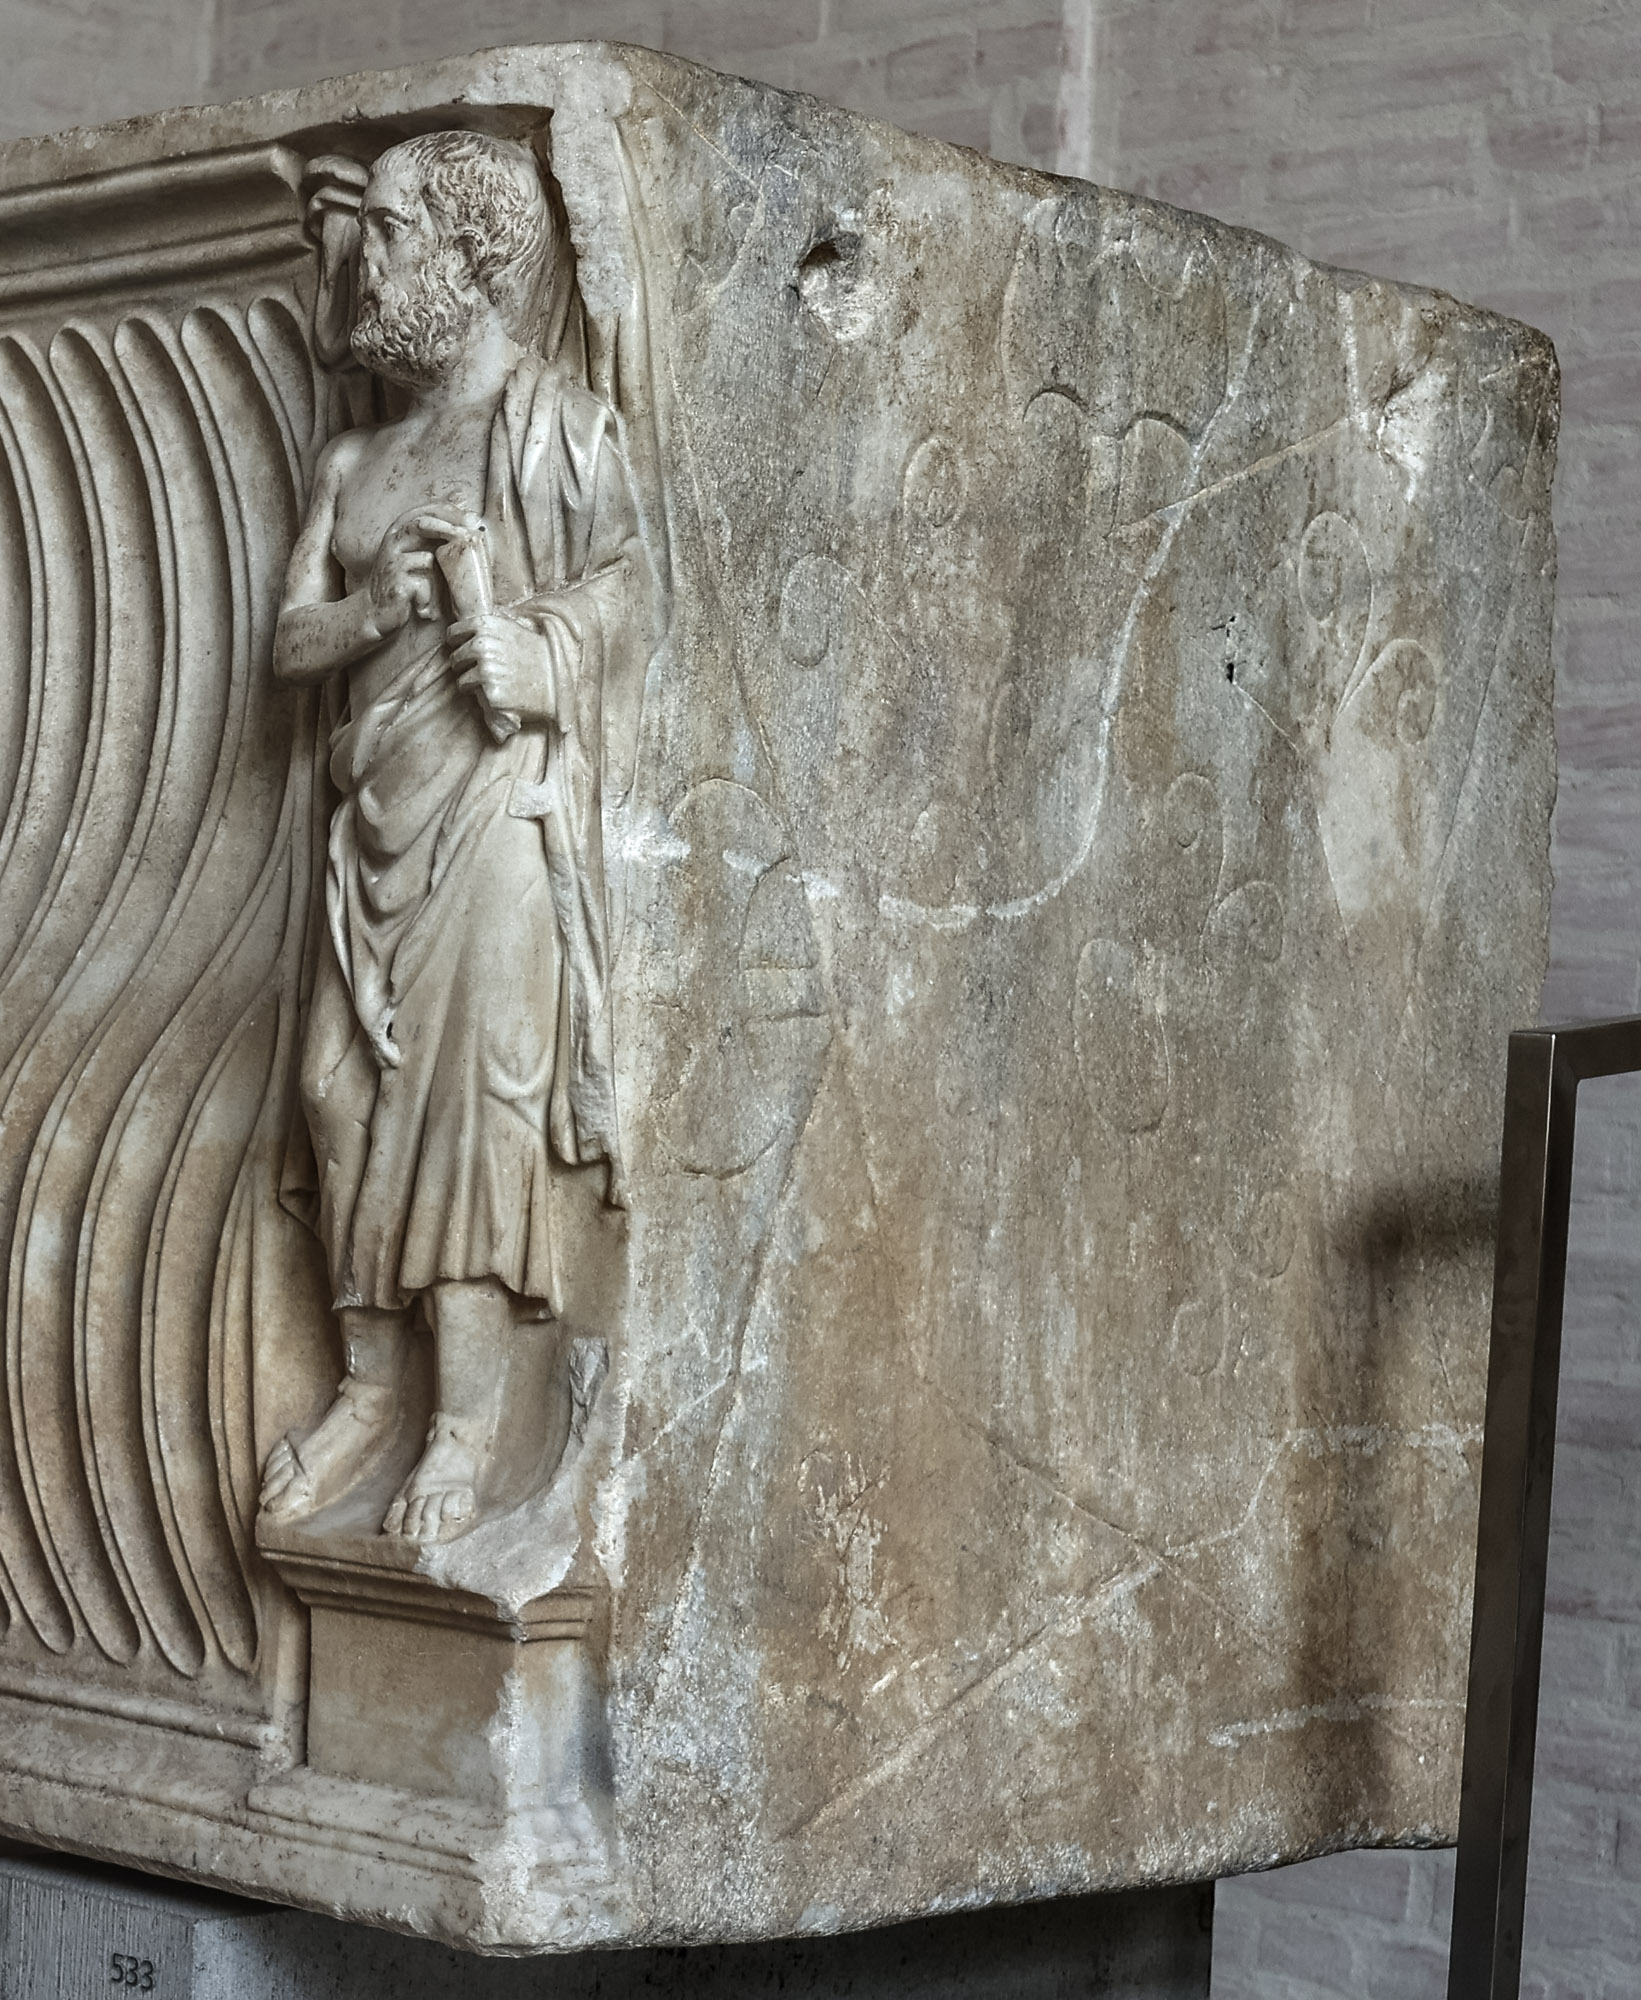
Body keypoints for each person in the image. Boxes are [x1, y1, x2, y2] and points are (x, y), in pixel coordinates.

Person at [259, 130, 654, 1543]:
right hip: (371, 813)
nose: (365, 263)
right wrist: (376, 614)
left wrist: (538, 653)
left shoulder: (563, 435)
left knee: (477, 1108)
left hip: (494, 809)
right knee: (334, 1091)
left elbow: (632, 592)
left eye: (392, 230)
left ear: (473, 255)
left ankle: (468, 1422)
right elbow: (290, 641)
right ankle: (371, 1384)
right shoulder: (357, 456)